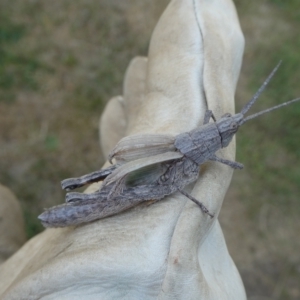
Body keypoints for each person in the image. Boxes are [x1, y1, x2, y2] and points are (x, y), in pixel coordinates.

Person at [0, 0, 246, 298]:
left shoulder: (198, 145)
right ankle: (62, 214)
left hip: (158, 165)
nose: (226, 129)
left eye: (227, 129)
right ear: (212, 137)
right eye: (226, 127)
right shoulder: (194, 161)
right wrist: (201, 203)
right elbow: (177, 186)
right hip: (145, 181)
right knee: (157, 186)